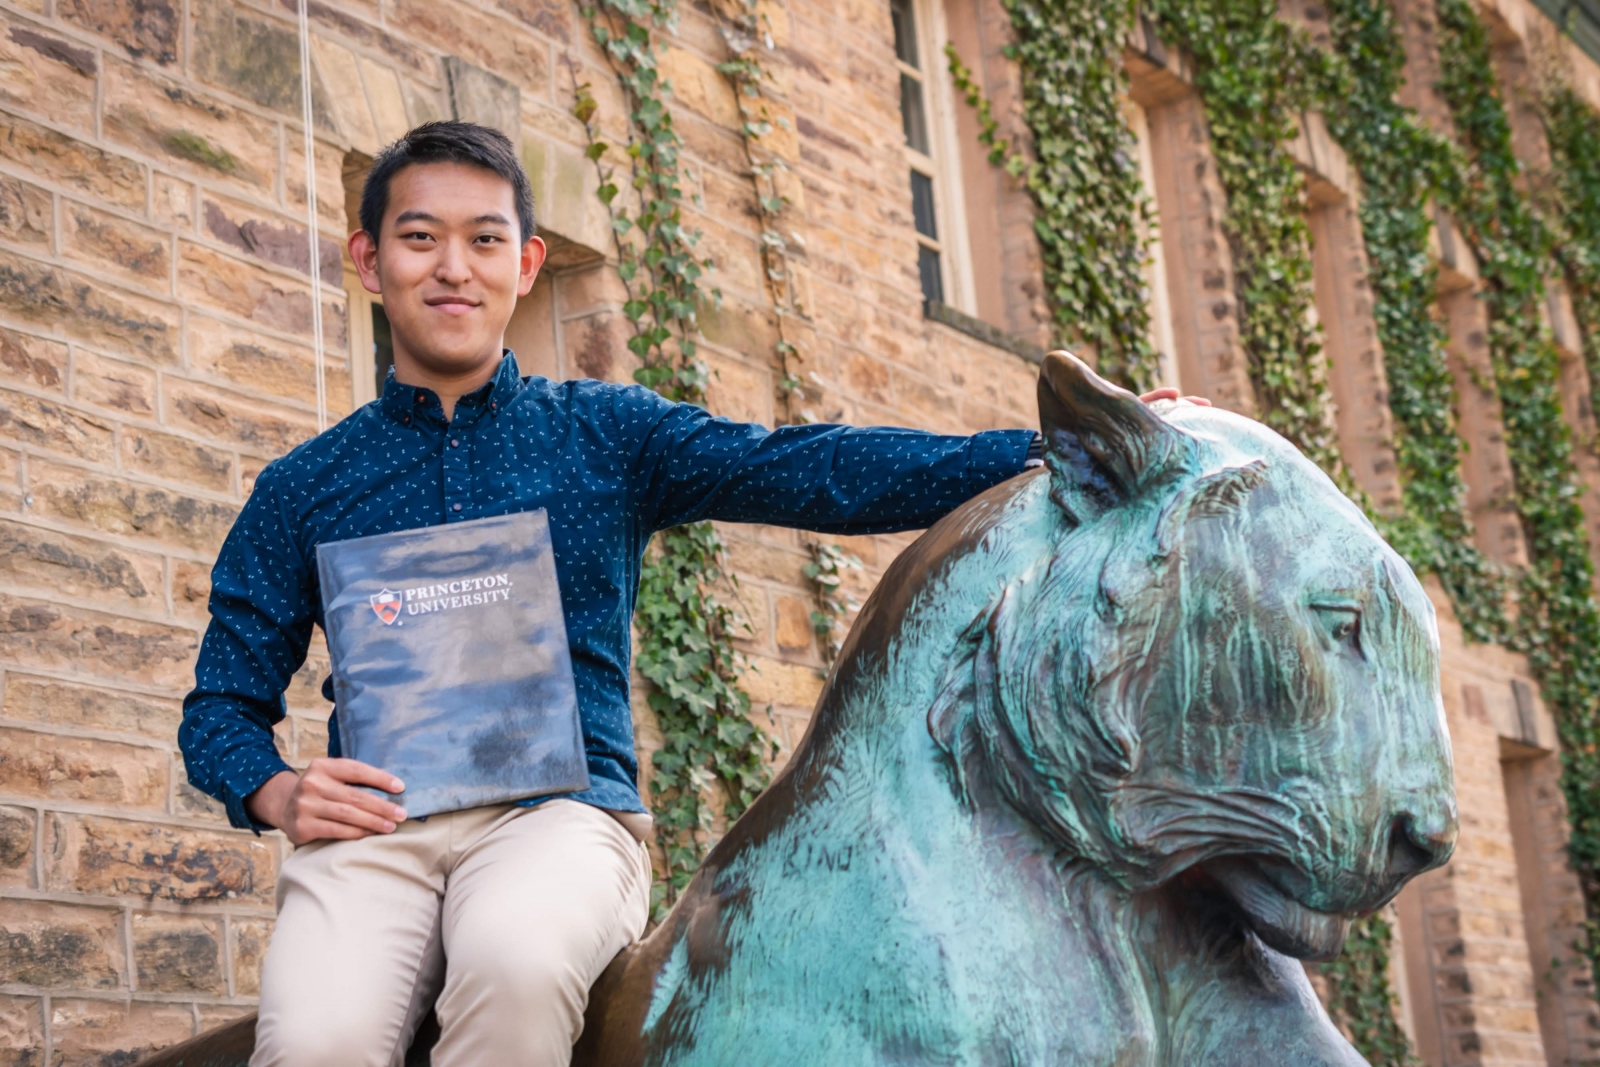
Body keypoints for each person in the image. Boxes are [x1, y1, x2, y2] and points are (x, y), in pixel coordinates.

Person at [180, 120, 1201, 1067]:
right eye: (419, 238)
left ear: (524, 263)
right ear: (369, 260)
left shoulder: (605, 436)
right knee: (314, 1037)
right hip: (376, 832)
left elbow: (807, 467)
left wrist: (1047, 448)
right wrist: (275, 788)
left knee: (516, 962)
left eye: (485, 239)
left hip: (558, 816)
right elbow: (222, 701)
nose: (454, 267)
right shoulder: (304, 487)